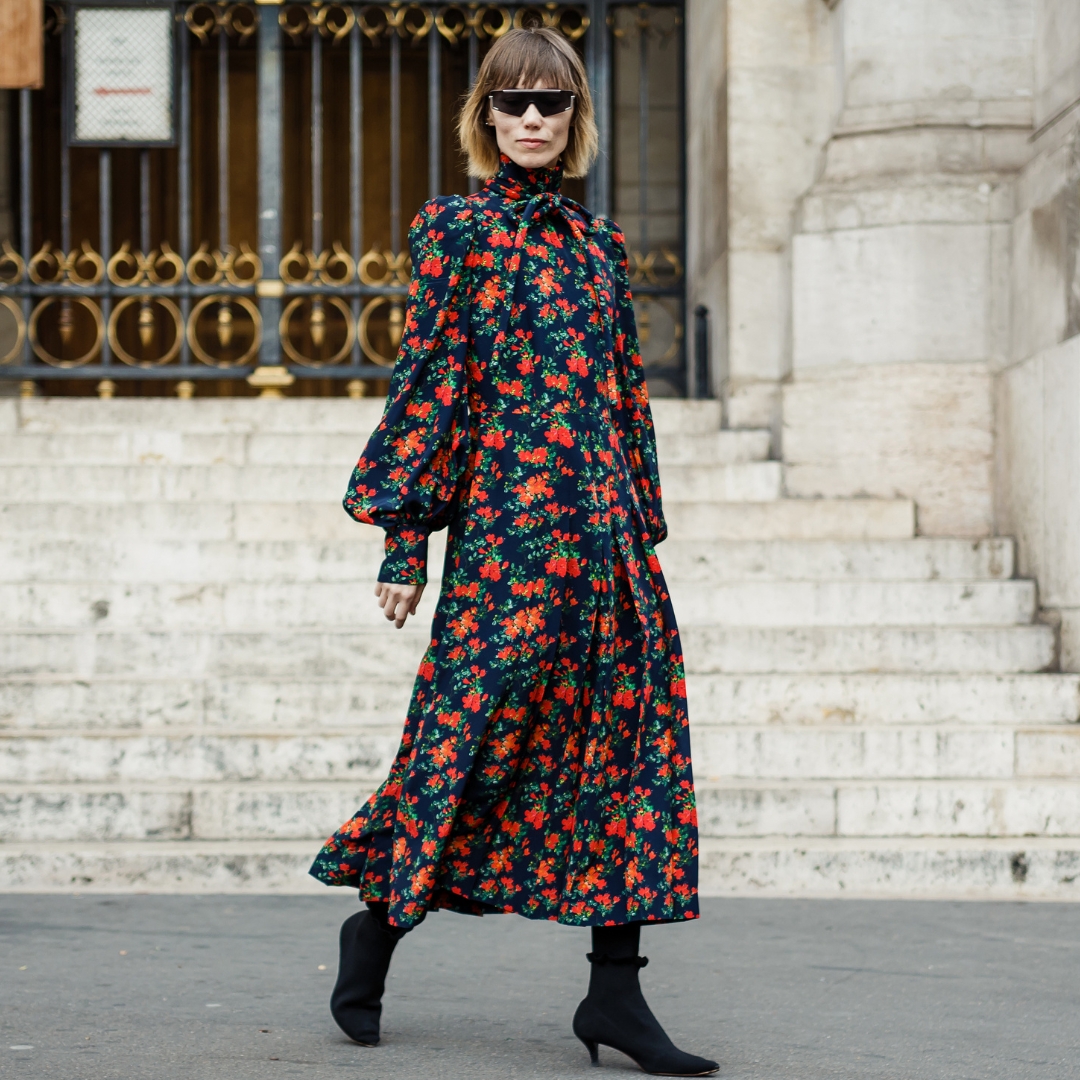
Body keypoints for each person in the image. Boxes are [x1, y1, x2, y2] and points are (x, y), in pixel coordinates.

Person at [309, 25, 717, 1077]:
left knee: (629, 755)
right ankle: (380, 923)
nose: (532, 119)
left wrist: (642, 528)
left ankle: (615, 996)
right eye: (514, 102)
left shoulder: (603, 250)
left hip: (607, 543)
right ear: (485, 117)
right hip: (506, 544)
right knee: (469, 745)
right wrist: (406, 539)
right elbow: (434, 382)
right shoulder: (456, 231)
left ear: (575, 119)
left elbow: (627, 400)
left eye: (552, 103)